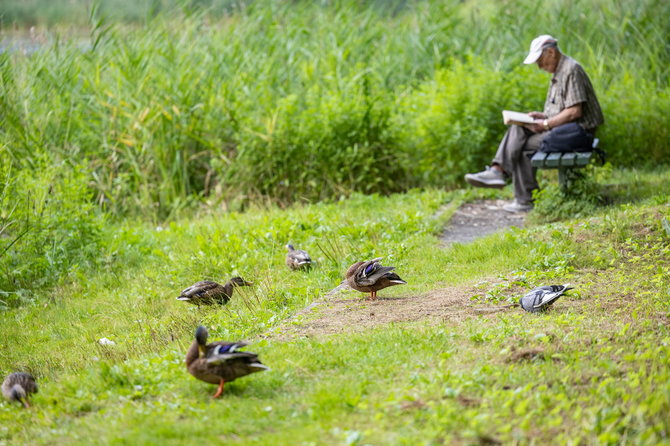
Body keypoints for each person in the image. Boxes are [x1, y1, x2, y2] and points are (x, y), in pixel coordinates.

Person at [464, 35, 604, 213]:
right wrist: (543, 116)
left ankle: (506, 179)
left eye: (540, 60)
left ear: (551, 52)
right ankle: (507, 181)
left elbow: (574, 112)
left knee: (520, 142)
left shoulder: (571, 70)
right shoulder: (559, 72)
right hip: (564, 131)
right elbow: (562, 109)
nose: (539, 66)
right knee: (518, 129)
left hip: (580, 134)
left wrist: (545, 123)